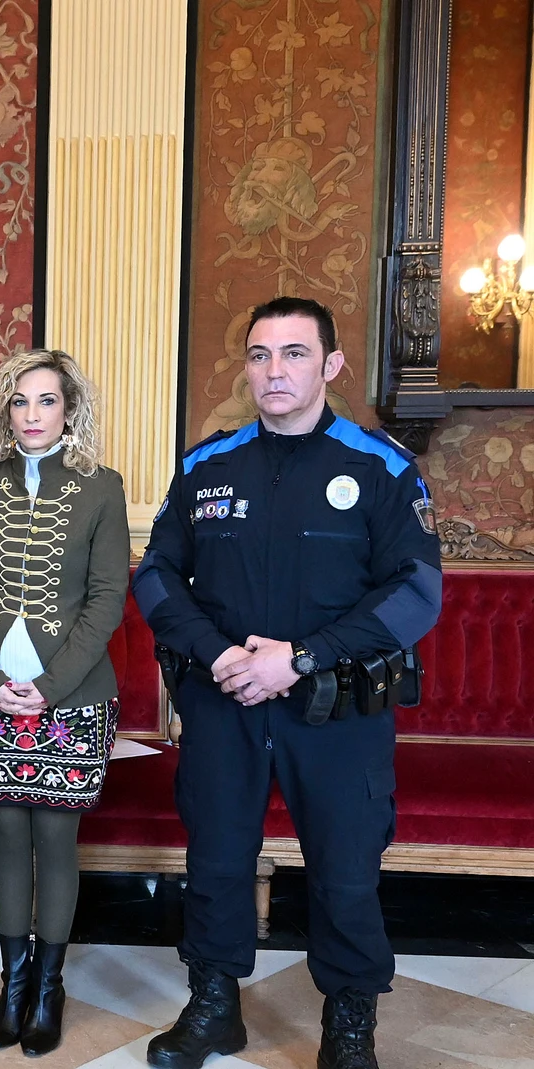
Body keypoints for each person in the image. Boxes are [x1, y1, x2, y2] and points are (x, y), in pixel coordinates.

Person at [136, 297, 442, 1069]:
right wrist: (219, 655)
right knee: (216, 860)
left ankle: (348, 1025)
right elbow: (158, 578)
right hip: (225, 701)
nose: (276, 370)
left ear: (331, 365)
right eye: (262, 354)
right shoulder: (207, 465)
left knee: (344, 871)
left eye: (296, 353)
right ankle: (213, 1008)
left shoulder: (379, 467)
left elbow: (415, 593)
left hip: (335, 710)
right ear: (246, 368)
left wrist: (299, 657)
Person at [0, 349, 130, 1056]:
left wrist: (47, 688)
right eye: (20, 402)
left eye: (45, 401)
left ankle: (49, 988)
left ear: (69, 409)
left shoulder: (102, 488)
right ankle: (12, 982)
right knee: (6, 836)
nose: (31, 415)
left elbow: (108, 598)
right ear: (5, 410)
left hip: (72, 692)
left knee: (55, 837)